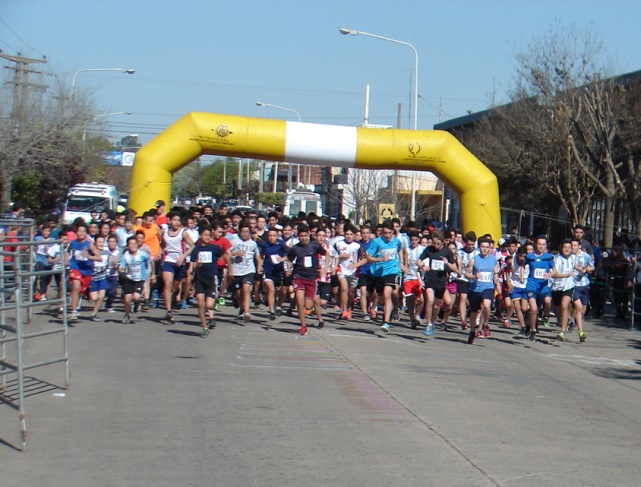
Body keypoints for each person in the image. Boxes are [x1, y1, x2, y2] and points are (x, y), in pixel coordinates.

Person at [286, 224, 328, 335]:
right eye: (301, 236)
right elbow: (289, 259)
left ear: (309, 235)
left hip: (311, 278)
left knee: (308, 306)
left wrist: (325, 268)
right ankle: (303, 326)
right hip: (299, 276)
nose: (303, 238)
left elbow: (327, 254)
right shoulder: (295, 248)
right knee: (299, 301)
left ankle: (307, 303)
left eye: (305, 235)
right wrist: (289, 269)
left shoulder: (314, 246)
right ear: (298, 236)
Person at [190, 226, 228, 338]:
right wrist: (197, 267)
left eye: (209, 235)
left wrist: (226, 267)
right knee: (200, 304)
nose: (207, 237)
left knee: (209, 304)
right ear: (200, 236)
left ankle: (213, 304)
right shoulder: (196, 250)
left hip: (211, 278)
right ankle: (204, 327)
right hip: (200, 278)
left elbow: (226, 256)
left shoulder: (215, 248)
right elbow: (193, 268)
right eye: (205, 235)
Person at [366, 221, 403, 334]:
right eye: (385, 233)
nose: (387, 235)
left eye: (389, 233)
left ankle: (386, 322)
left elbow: (400, 250)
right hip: (378, 273)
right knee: (382, 298)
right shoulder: (377, 242)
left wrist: (401, 263)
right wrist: (380, 259)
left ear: (393, 232)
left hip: (392, 271)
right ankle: (389, 309)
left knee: (388, 294)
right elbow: (369, 258)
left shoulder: (397, 241)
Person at [418, 230, 457, 336]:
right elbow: (418, 260)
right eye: (434, 243)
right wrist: (422, 266)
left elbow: (455, 268)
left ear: (443, 241)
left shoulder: (447, 252)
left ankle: (433, 321)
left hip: (441, 281)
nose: (435, 246)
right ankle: (429, 323)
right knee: (430, 301)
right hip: (430, 278)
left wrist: (447, 263)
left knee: (436, 305)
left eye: (438, 244)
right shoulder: (429, 249)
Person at [161, 211, 195, 323]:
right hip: (168, 260)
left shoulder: (183, 233)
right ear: (169, 221)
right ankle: (168, 310)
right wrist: (160, 252)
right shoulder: (164, 231)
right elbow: (163, 244)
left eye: (178, 220)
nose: (177, 222)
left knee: (174, 287)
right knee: (168, 284)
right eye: (174, 220)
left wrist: (183, 256)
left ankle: (174, 295)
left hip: (181, 262)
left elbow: (192, 246)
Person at [465, 236, 499, 344]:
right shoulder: (474, 260)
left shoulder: (493, 259)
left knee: (486, 305)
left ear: (490, 248)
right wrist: (474, 276)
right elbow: (466, 274)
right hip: (475, 289)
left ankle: (485, 325)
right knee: (474, 312)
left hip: (488, 287)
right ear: (479, 247)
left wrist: (496, 278)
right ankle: (472, 331)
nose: (485, 249)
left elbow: (495, 271)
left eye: (487, 247)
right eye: (483, 247)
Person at [67, 223, 102, 322]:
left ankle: (76, 303)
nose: (81, 233)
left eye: (83, 231)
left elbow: (99, 258)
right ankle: (73, 312)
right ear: (76, 232)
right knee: (76, 286)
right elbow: (67, 253)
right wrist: (66, 261)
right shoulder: (72, 243)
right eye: (79, 231)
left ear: (86, 233)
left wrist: (88, 256)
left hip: (86, 270)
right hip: (75, 267)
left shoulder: (89, 244)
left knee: (80, 292)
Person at [229, 223, 262, 322]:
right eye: (243, 232)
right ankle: (239, 304)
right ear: (239, 232)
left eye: (247, 232)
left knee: (246, 289)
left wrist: (259, 267)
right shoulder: (234, 242)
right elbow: (226, 254)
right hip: (236, 270)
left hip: (249, 270)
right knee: (238, 294)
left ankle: (246, 312)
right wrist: (236, 253)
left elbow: (257, 256)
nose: (245, 234)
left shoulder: (253, 243)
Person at [524, 235, 555, 340]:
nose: (541, 246)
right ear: (535, 244)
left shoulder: (548, 257)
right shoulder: (529, 257)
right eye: (539, 244)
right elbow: (522, 266)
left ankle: (545, 316)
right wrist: (521, 276)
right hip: (532, 286)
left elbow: (554, 270)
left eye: (543, 244)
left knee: (547, 302)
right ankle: (533, 329)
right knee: (533, 308)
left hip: (543, 287)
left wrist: (549, 275)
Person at [119, 236, 152, 325]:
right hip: (129, 279)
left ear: (137, 244)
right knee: (127, 299)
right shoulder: (125, 256)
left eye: (135, 244)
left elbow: (149, 262)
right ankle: (126, 315)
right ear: (128, 246)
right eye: (131, 244)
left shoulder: (143, 254)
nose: (133, 246)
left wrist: (149, 274)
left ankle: (137, 303)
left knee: (136, 297)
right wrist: (121, 270)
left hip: (140, 279)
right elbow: (121, 267)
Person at [570, 237, 592, 342]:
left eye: (575, 245)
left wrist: (587, 269)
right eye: (571, 245)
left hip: (584, 284)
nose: (572, 247)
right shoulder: (569, 256)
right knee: (578, 307)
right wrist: (578, 268)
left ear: (579, 246)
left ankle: (572, 319)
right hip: (573, 285)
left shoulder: (586, 256)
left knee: (582, 310)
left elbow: (592, 267)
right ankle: (581, 332)